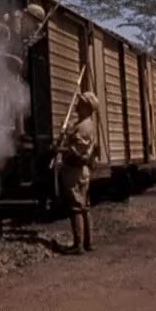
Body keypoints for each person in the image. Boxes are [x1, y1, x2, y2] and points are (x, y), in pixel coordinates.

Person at [55, 91, 100, 253]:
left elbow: (76, 151)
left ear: (87, 107)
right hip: (82, 170)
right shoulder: (85, 124)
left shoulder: (83, 127)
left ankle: (78, 245)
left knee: (76, 207)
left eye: (81, 103)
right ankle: (88, 243)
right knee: (84, 206)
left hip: (75, 170)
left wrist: (59, 148)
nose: (77, 105)